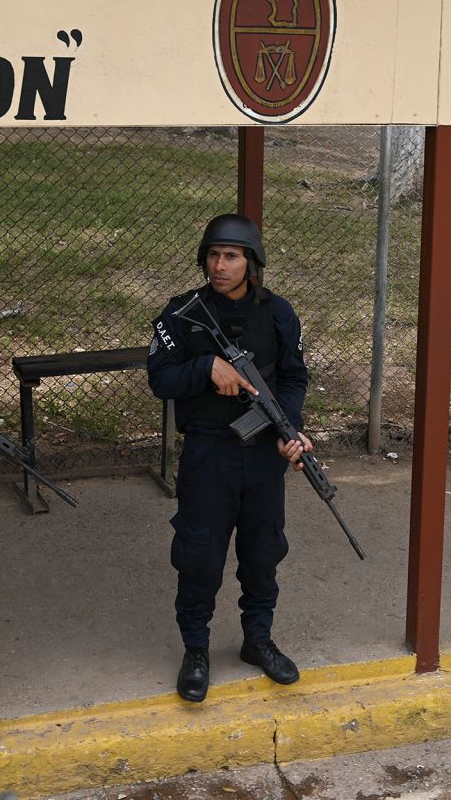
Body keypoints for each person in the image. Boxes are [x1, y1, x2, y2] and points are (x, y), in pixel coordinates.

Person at [147, 214, 311, 703]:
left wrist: (290, 427)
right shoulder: (180, 314)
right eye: (214, 255)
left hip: (263, 457)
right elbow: (161, 379)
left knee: (263, 553)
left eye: (232, 256)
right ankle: (195, 650)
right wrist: (205, 367)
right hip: (208, 454)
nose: (221, 266)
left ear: (251, 262)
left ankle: (257, 641)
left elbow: (294, 376)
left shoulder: (279, 314)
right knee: (199, 556)